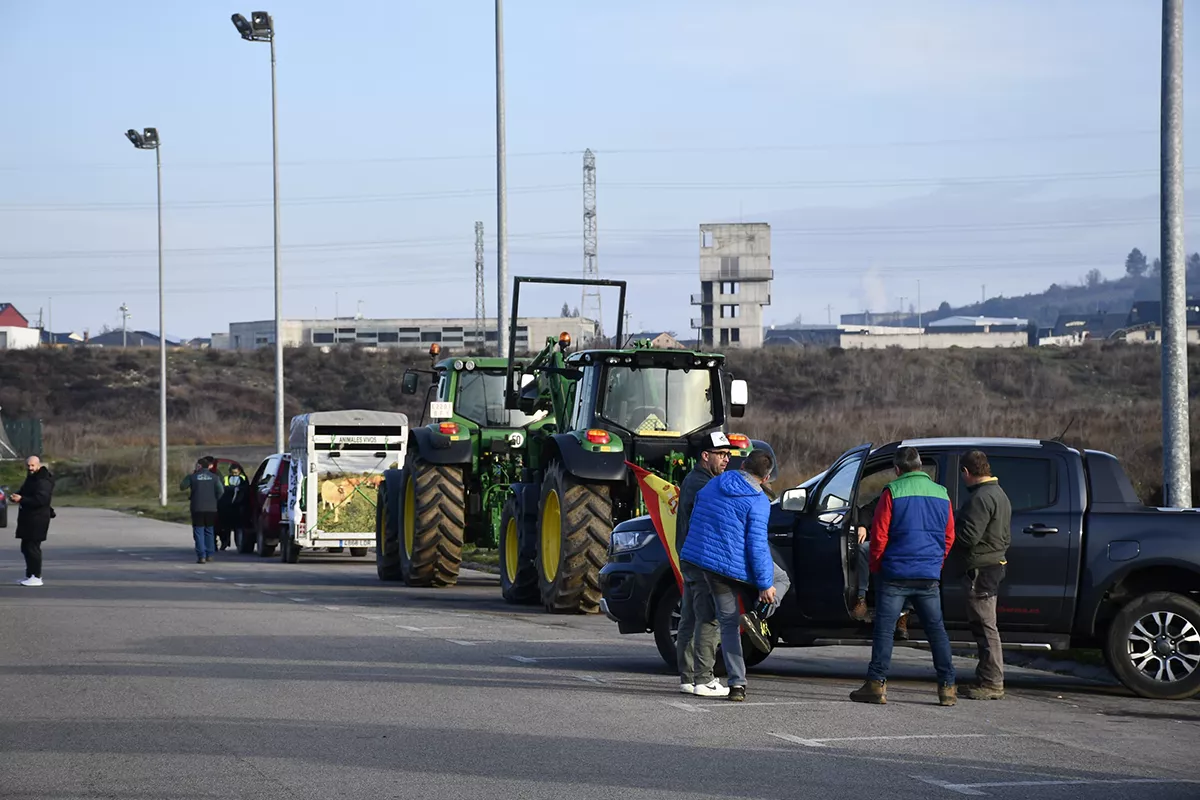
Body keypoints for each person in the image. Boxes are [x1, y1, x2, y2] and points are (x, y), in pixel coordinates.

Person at [850, 446, 957, 707]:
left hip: (895, 575)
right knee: (937, 632)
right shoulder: (941, 493)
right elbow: (949, 536)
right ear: (920, 466)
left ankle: (876, 685)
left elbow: (880, 535)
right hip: (928, 576)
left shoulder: (892, 492)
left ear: (897, 469)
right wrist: (935, 563)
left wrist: (877, 566)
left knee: (885, 631)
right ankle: (947, 687)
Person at [678, 449, 776, 702]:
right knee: (779, 581)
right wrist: (765, 584)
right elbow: (756, 545)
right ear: (766, 479)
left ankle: (722, 682)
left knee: (698, 617)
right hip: (728, 567)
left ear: (742, 464)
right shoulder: (758, 500)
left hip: (696, 558)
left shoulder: (714, 483)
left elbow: (696, 511)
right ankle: (759, 614)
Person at [675, 432, 733, 697]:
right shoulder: (704, 485)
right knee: (708, 619)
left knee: (689, 617)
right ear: (705, 456)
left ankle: (688, 677)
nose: (726, 459)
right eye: (721, 454)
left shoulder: (696, 481)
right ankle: (703, 678)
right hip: (702, 561)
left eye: (728, 454)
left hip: (690, 557)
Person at [954, 450, 1012, 700]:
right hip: (993, 565)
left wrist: (950, 528)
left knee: (985, 626)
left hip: (981, 568)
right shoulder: (999, 494)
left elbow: (968, 537)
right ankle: (987, 677)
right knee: (985, 625)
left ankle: (992, 682)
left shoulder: (980, 498)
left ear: (966, 472)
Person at [11, 456, 55, 587]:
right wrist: (16, 496)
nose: (30, 468)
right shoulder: (32, 478)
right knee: (26, 547)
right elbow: (25, 492)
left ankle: (36, 576)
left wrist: (22, 499)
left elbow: (41, 500)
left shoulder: (43, 480)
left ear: (38, 465)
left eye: (32, 466)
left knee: (33, 548)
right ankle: (29, 575)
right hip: (29, 518)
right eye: (28, 466)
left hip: (38, 519)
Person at [180, 457, 224, 563]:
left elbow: (182, 486)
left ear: (199, 466)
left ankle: (201, 555)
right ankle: (210, 554)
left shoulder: (193, 477)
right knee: (209, 531)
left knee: (199, 531)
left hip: (197, 507)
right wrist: (215, 500)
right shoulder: (215, 477)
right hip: (211, 508)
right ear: (209, 466)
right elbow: (221, 491)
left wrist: (190, 476)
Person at [218, 462, 249, 551]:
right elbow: (223, 488)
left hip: (238, 506)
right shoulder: (226, 478)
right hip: (227, 506)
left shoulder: (243, 478)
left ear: (239, 472)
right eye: (232, 473)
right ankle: (225, 542)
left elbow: (245, 488)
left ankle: (238, 544)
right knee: (225, 527)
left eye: (236, 473)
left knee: (238, 527)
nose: (234, 475)